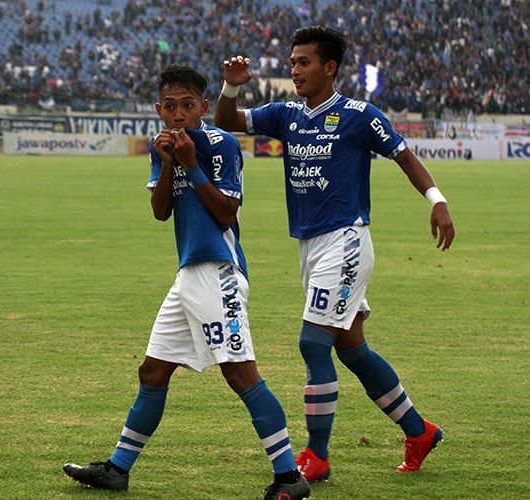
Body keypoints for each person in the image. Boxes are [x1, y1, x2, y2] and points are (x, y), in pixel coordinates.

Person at [214, 26, 455, 481]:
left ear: (329, 68)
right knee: (352, 347)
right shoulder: (285, 113)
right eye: (292, 63)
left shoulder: (359, 115)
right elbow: (227, 120)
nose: (295, 71)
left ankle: (317, 457)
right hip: (310, 245)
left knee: (312, 342)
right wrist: (231, 86)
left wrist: (437, 200)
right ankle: (419, 431)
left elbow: (404, 156)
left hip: (345, 241)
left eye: (303, 63)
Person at [63, 64, 310, 500]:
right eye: (170, 107)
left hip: (218, 271)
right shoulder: (162, 148)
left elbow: (227, 214)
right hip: (188, 275)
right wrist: (165, 161)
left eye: (188, 106)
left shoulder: (221, 145)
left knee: (241, 375)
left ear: (203, 107)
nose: (179, 115)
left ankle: (289, 477)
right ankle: (118, 470)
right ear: (159, 110)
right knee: (153, 371)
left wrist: (192, 167)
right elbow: (161, 212)